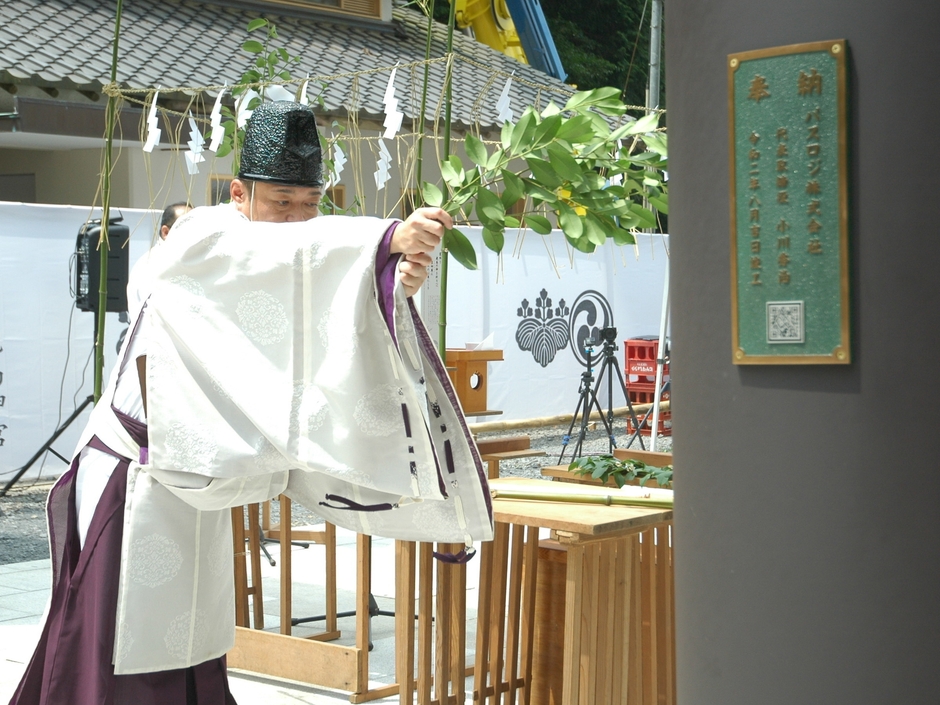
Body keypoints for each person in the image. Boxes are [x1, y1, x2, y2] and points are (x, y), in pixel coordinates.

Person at [10, 101, 493, 705]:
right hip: (135, 479)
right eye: (280, 203)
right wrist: (383, 241)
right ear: (238, 192)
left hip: (196, 477)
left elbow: (315, 313)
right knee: (118, 648)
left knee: (190, 641)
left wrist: (383, 285)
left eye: (309, 205)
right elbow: (273, 263)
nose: (295, 221)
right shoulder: (200, 240)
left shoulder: (285, 254)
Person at [126, 202, 193, 319]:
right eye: (188, 227)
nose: (195, 234)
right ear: (166, 232)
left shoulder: (183, 261)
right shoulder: (152, 265)